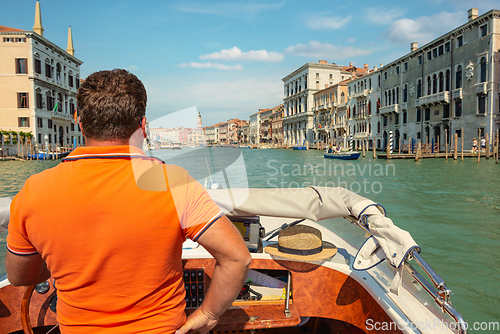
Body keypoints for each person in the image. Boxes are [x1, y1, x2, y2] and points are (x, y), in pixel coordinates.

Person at [5, 69, 251, 334]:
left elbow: (20, 276)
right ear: (143, 126)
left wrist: (53, 264)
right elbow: (237, 259)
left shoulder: (33, 191)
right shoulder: (173, 182)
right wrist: (208, 314)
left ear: (80, 123)